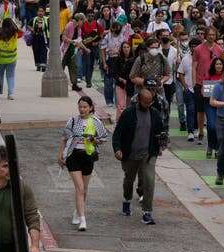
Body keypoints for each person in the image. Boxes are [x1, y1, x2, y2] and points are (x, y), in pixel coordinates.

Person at [112, 88, 168, 225]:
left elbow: (162, 131)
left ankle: (147, 212)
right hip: (130, 154)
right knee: (129, 180)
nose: (148, 105)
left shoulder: (154, 114)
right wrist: (117, 149)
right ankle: (127, 200)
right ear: (139, 100)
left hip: (148, 154)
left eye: (150, 102)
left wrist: (161, 143)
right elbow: (117, 134)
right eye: (145, 102)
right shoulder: (128, 114)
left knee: (149, 180)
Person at [59, 96, 108, 232]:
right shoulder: (73, 121)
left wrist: (94, 140)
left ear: (91, 108)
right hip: (73, 156)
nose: (82, 109)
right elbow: (64, 138)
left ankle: (77, 211)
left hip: (88, 156)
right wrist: (60, 155)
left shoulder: (96, 122)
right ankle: (83, 219)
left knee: (84, 189)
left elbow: (104, 138)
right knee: (79, 188)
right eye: (80, 106)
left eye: (85, 107)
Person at [0, 17, 19, 100]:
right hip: (12, 59)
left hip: (0, 59)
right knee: (11, 76)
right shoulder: (15, 34)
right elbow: (21, 31)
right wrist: (15, 25)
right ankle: (10, 94)